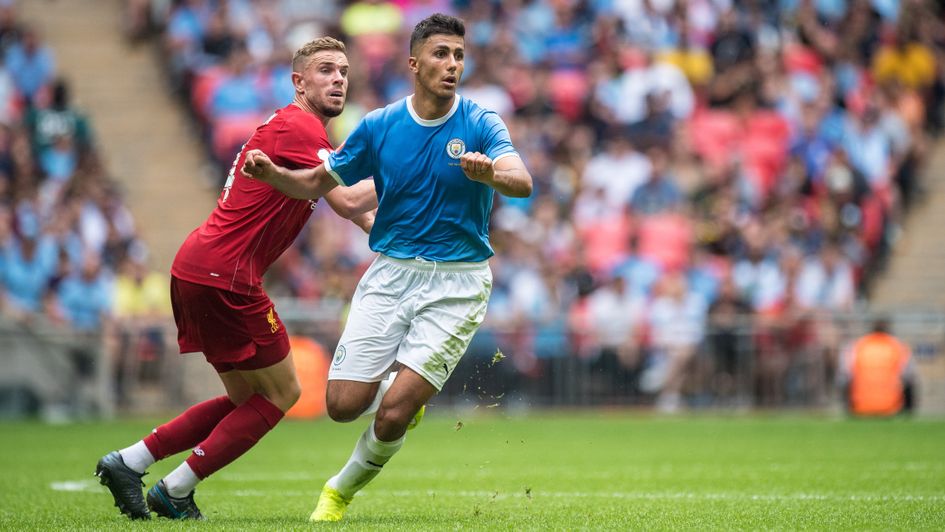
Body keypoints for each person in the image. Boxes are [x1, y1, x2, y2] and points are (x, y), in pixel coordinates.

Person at [241, 13, 533, 522]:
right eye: (441, 54)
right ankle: (402, 394)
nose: (453, 65)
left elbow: (522, 181)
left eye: (459, 55)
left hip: (458, 282)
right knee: (342, 405)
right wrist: (274, 173)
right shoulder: (379, 126)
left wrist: (493, 174)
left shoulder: (483, 123)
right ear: (415, 64)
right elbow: (319, 185)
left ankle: (338, 491)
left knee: (395, 410)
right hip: (391, 275)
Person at [94, 37, 377, 521]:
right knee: (283, 393)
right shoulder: (300, 127)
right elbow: (350, 201)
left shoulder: (298, 133)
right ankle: (176, 488)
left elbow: (351, 211)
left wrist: (393, 236)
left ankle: (130, 461)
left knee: (245, 398)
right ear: (299, 82)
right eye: (326, 70)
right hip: (227, 275)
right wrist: (420, 171)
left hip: (198, 266)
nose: (338, 79)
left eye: (344, 72)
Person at [840, 318, 915, 417]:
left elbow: (845, 374)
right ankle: (907, 414)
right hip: (892, 408)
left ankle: (849, 411)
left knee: (845, 380)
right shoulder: (898, 346)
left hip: (860, 407)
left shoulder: (857, 346)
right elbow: (909, 376)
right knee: (909, 381)